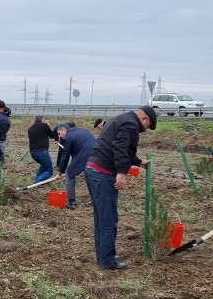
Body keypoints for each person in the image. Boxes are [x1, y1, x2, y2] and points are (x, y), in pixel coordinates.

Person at [86, 106, 157, 270]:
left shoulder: (120, 119)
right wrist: (120, 173)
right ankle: (107, 261)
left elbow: (121, 147)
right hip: (103, 174)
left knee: (101, 218)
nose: (144, 130)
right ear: (144, 119)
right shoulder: (131, 124)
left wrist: (138, 162)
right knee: (109, 220)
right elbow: (120, 147)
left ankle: (103, 256)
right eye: (147, 127)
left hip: (92, 169)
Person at [55, 124, 97, 210]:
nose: (60, 137)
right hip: (97, 152)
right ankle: (95, 200)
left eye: (59, 134)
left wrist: (60, 172)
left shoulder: (68, 137)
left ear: (63, 130)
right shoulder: (81, 130)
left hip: (86, 153)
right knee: (87, 173)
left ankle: (71, 202)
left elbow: (65, 156)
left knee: (69, 174)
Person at [27, 115, 56, 183]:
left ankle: (36, 180)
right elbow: (52, 135)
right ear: (42, 120)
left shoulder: (30, 129)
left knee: (44, 165)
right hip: (42, 152)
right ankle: (37, 182)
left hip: (33, 153)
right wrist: (48, 126)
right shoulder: (44, 126)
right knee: (50, 170)